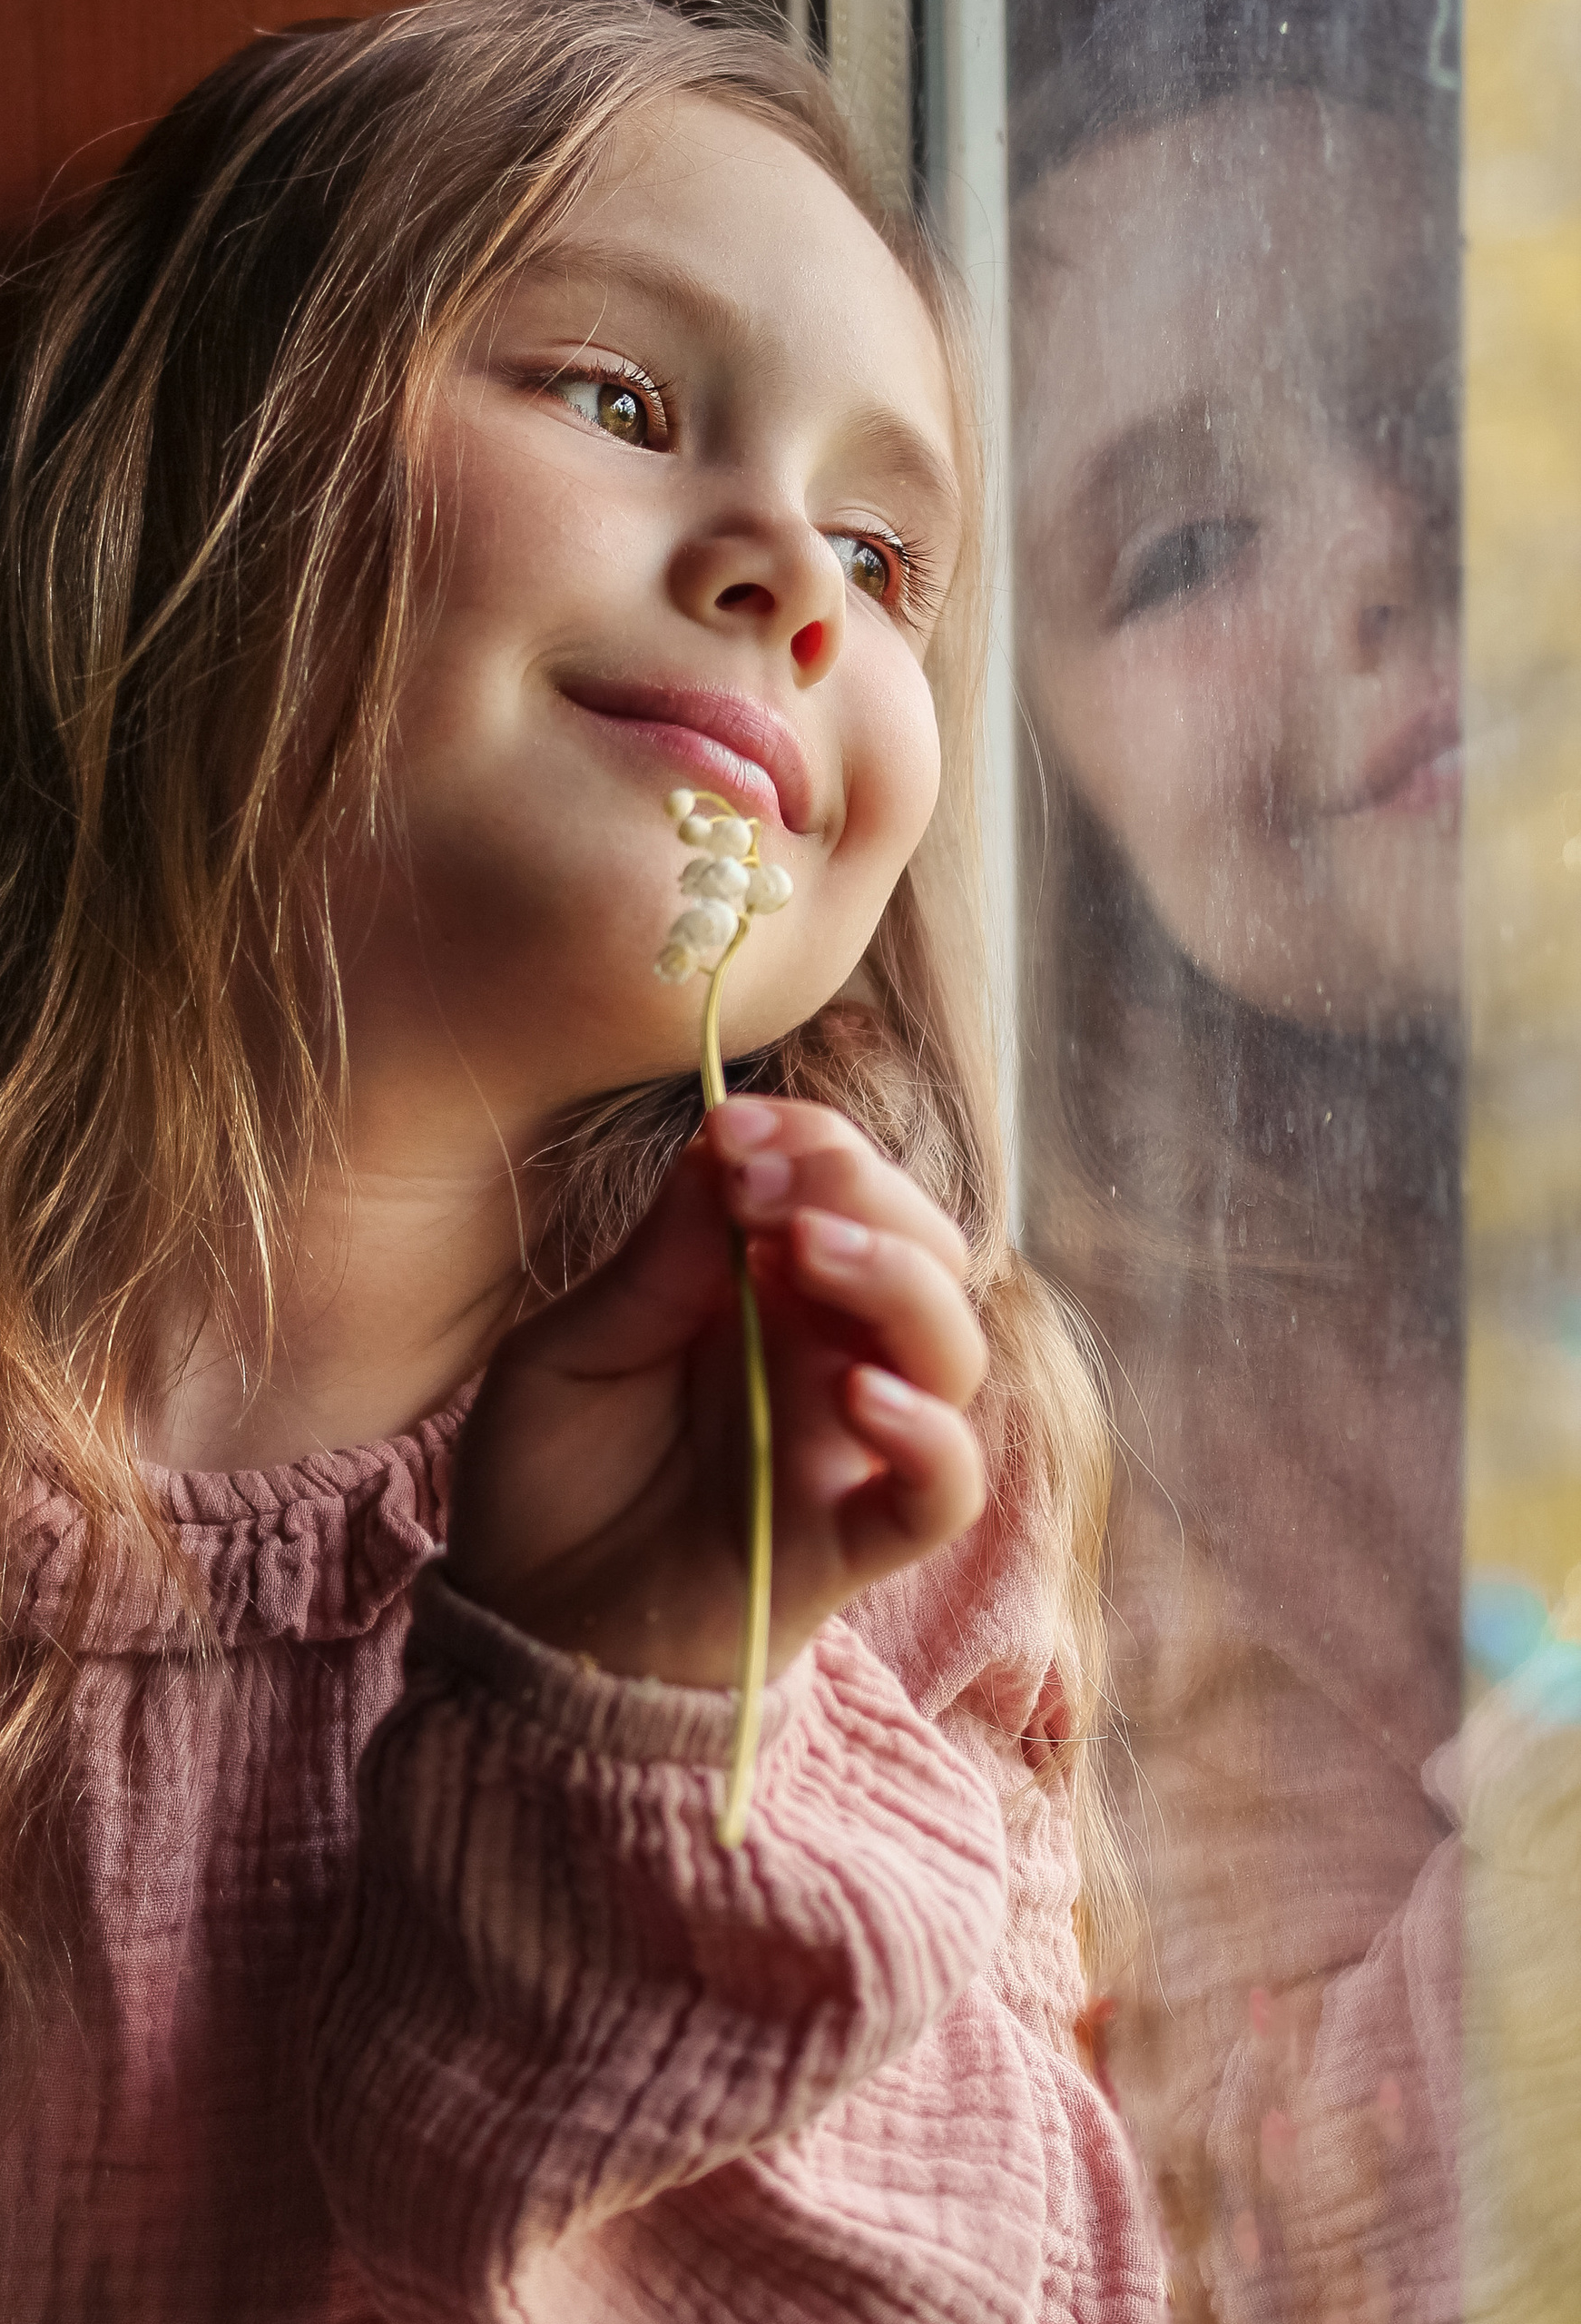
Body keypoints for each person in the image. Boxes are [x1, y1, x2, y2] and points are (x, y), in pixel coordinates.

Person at [0, 5, 1159, 2317]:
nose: (796, 571)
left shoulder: (869, 1483)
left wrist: (656, 1713)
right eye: (617, 402)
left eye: (887, 551)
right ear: (181, 468)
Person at [1007, 5, 1468, 2313]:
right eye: (1183, 543)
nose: (1390, 536)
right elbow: (1298, 2242)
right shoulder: (1134, 1425)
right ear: (1051, 824)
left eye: (1434, 387)